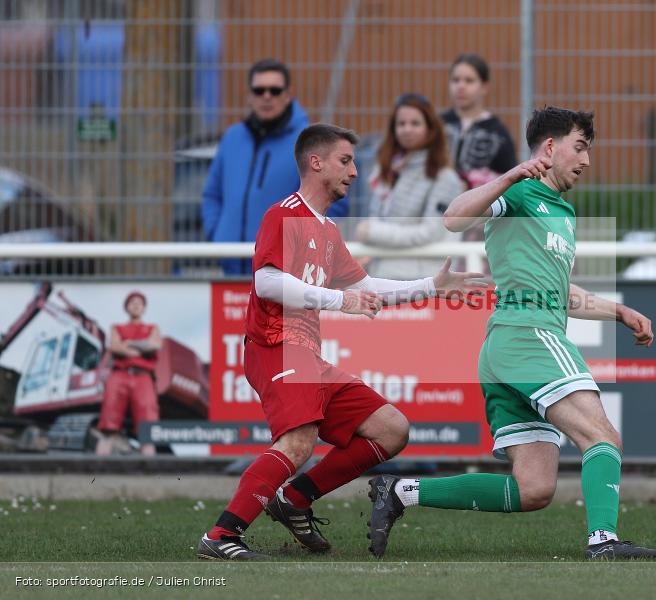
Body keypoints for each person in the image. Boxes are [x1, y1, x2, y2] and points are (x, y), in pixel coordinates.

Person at [367, 107, 656, 561]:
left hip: (508, 348)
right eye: (580, 147)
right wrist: (510, 175)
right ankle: (604, 542)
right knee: (603, 437)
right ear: (550, 148)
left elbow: (562, 292)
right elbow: (453, 218)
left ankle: (400, 491)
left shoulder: (563, 212)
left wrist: (620, 311)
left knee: (534, 489)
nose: (586, 160)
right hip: (528, 336)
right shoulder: (522, 192)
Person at [196, 123, 485, 561]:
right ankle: (221, 535)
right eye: (345, 160)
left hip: (307, 354)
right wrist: (338, 299)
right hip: (275, 345)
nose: (354, 171)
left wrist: (431, 285)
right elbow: (267, 282)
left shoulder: (328, 231)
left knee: (391, 429)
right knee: (298, 443)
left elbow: (366, 285)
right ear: (316, 163)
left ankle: (295, 499)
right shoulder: (284, 214)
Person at [201, 58, 348, 276]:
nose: (267, 96)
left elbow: (332, 201)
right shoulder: (232, 138)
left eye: (275, 90)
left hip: (285, 272)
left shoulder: (311, 143)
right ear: (249, 95)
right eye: (259, 90)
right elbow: (212, 194)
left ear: (288, 94)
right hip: (231, 270)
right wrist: (217, 233)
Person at [355, 94, 464, 279]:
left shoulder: (445, 177)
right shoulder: (387, 170)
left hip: (421, 283)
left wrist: (373, 233)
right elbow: (377, 217)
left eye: (415, 123)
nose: (407, 129)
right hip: (382, 275)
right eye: (401, 123)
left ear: (430, 128)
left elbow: (430, 232)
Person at [95, 291, 161, 457]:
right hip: (119, 375)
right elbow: (115, 347)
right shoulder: (117, 327)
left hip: (143, 377)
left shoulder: (152, 327)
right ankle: (95, 473)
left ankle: (151, 474)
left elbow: (154, 345)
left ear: (144, 308)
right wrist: (140, 349)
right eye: (132, 302)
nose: (136, 305)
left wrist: (129, 344)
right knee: (108, 424)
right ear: (126, 307)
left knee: (147, 428)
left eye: (139, 302)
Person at [441, 54, 518, 189]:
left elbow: (509, 178)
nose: (461, 86)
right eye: (455, 80)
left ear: (484, 87)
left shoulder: (498, 132)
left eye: (469, 81)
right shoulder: (437, 124)